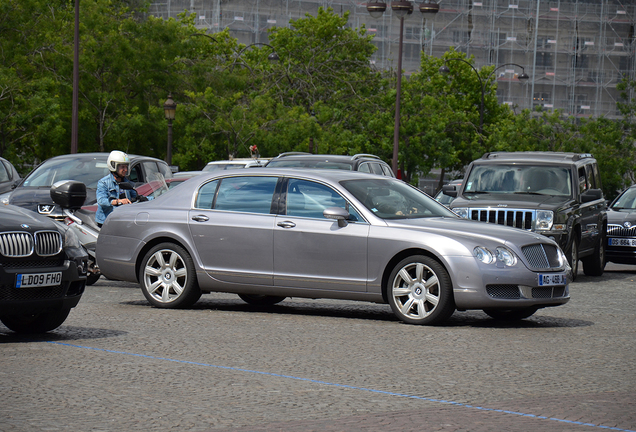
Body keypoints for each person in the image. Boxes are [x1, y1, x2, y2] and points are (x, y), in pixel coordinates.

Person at [95, 150, 146, 227]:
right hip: (107, 221)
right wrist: (119, 201)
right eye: (122, 167)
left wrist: (155, 198)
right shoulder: (104, 183)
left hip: (123, 220)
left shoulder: (127, 183)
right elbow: (101, 201)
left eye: (126, 167)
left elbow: (135, 196)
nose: (125, 170)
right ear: (113, 166)